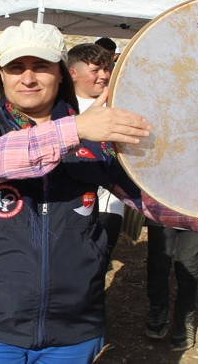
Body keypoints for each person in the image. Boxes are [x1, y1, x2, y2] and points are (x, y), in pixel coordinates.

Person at [0, 20, 198, 364]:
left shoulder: (99, 140)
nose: (29, 78)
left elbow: (153, 202)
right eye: (16, 68)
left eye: (41, 67)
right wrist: (76, 129)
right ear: (1, 74)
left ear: (61, 73)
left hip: (73, 327)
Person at [67, 43, 124, 257]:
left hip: (112, 198)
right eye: (95, 70)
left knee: (101, 256)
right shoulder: (61, 107)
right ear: (73, 73)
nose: (103, 75)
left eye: (106, 68)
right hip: (74, 200)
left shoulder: (119, 102)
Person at [144, 221, 198, 351]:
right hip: (161, 210)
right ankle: (158, 311)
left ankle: (185, 321)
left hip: (195, 212)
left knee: (187, 267)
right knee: (158, 263)